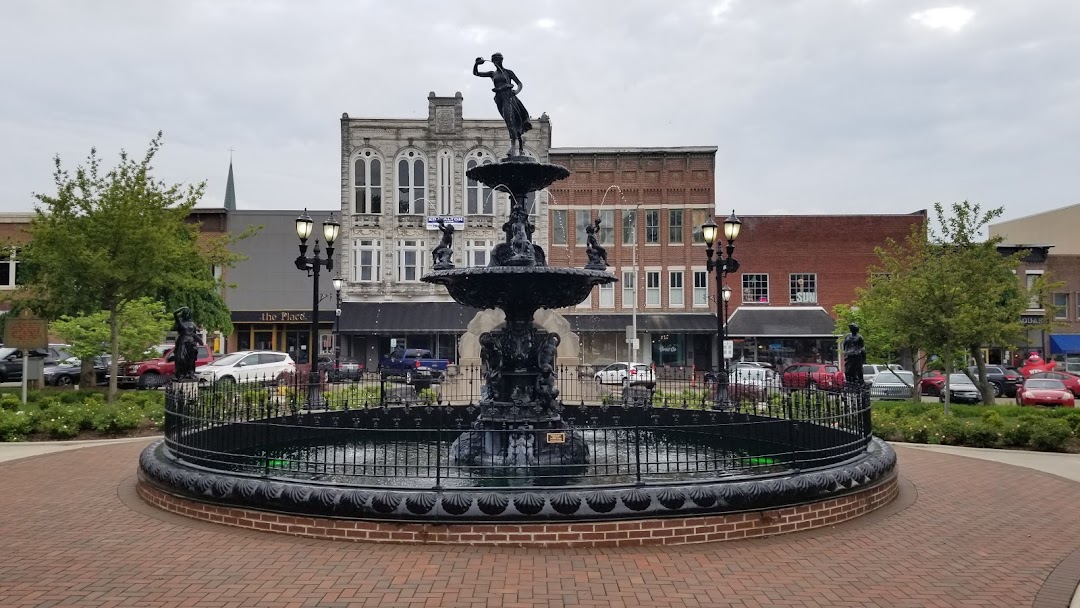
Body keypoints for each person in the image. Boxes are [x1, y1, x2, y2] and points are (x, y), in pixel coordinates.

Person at [473, 53, 532, 158]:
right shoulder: (492, 74)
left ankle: (514, 147)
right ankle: (518, 142)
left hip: (509, 97)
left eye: (498, 60)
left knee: (511, 121)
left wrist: (516, 92)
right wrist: (476, 64)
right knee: (508, 121)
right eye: (494, 60)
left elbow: (519, 84)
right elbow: (476, 73)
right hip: (499, 99)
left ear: (501, 60)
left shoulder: (508, 73)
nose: (496, 62)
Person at [172, 307, 203, 380]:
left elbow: (194, 333)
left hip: (191, 342)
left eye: (188, 313)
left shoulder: (192, 324)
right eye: (185, 313)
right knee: (181, 358)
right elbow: (174, 313)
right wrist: (183, 308)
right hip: (183, 342)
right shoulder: (180, 322)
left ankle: (190, 373)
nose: (187, 314)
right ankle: (181, 374)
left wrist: (199, 341)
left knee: (191, 360)